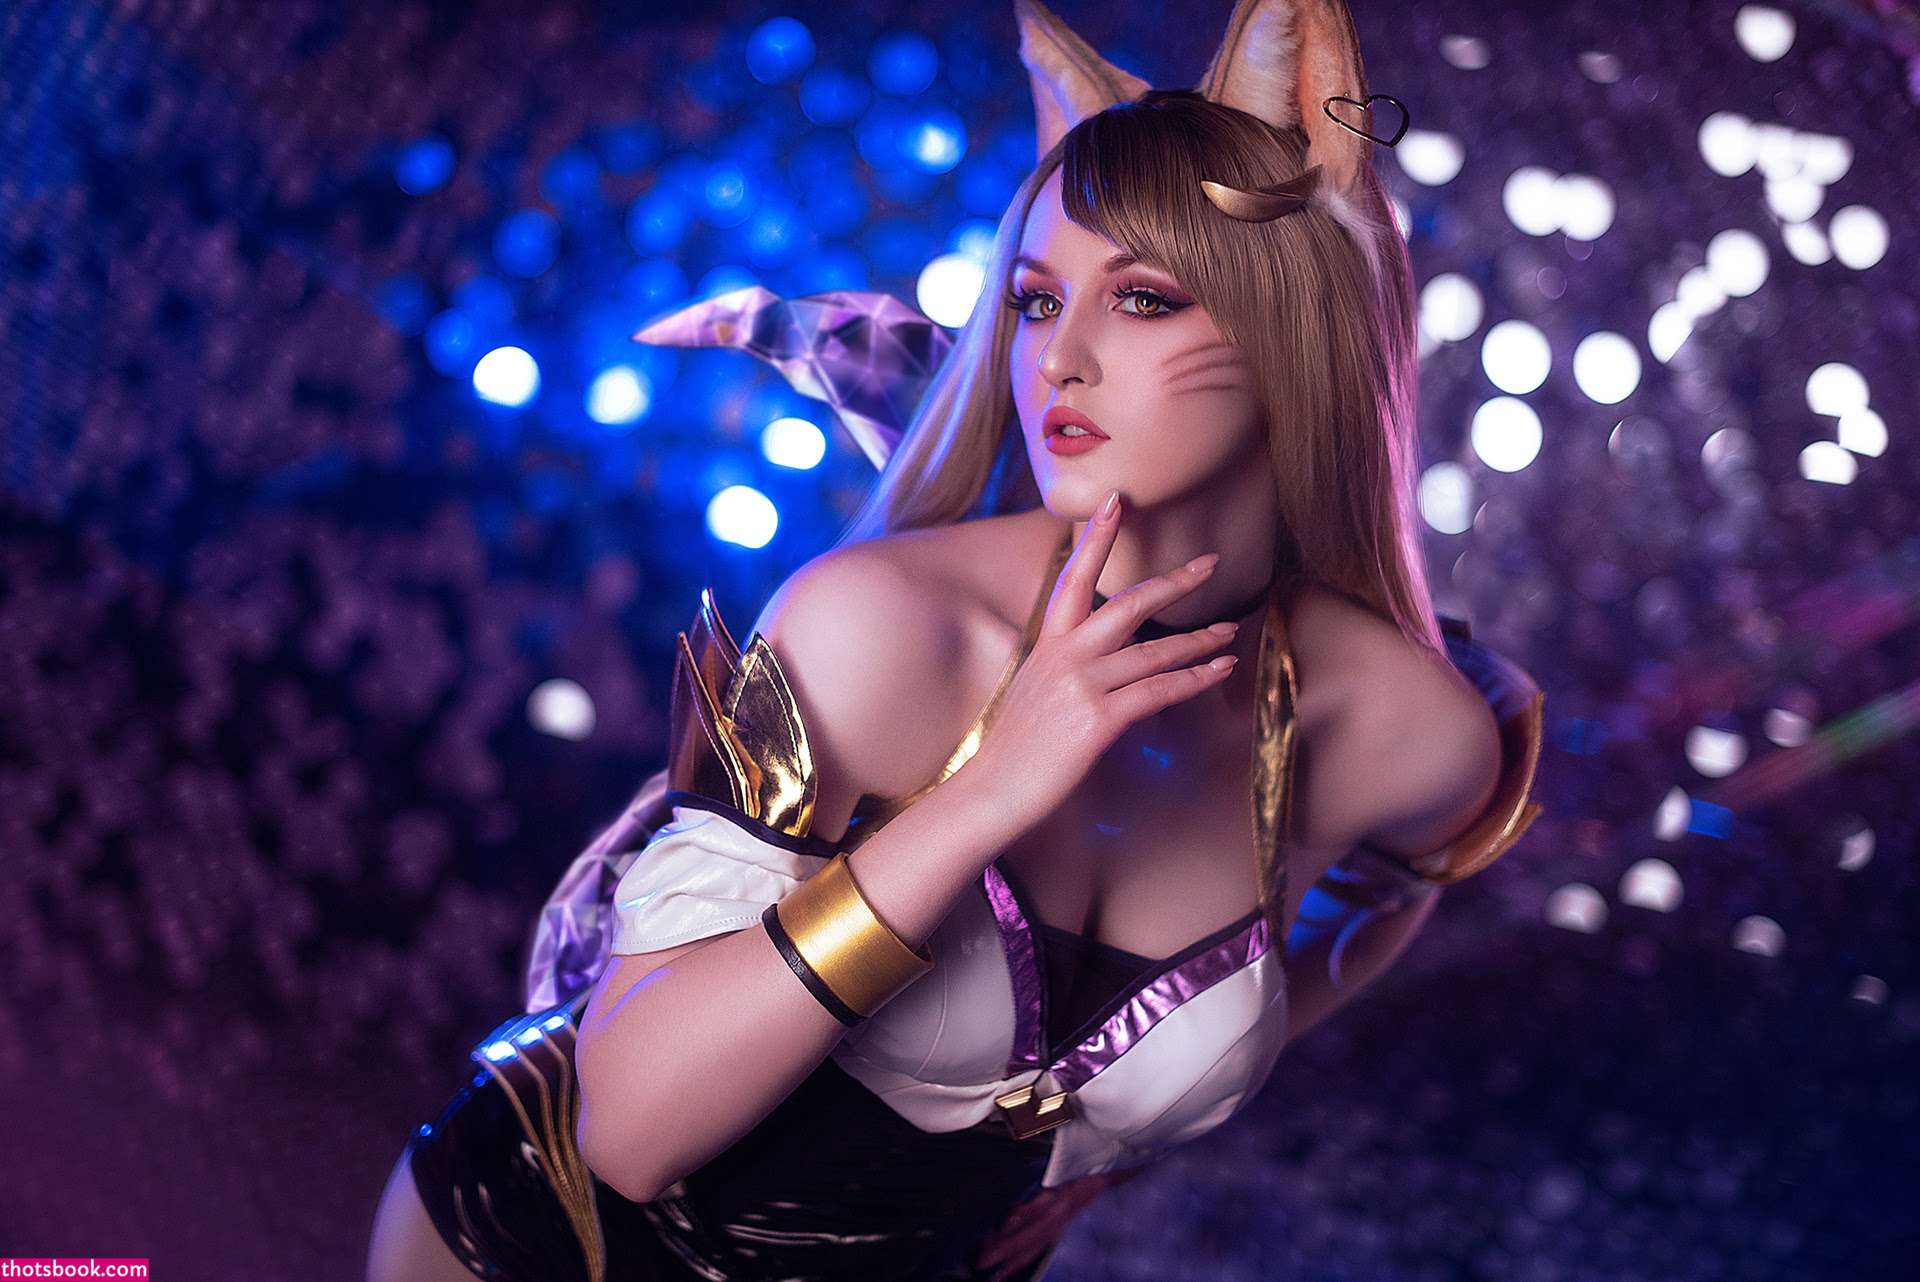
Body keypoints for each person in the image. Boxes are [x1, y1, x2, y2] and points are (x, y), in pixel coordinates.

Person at [364, 1, 1547, 1278]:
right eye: (1035, 301)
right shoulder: (885, 626)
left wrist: (1112, 1144)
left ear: (1297, 332)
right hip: (544, 1238)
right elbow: (631, 1135)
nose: (1061, 359)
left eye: (1142, 298)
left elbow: (1401, 880)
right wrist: (987, 792)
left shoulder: (1394, 723)